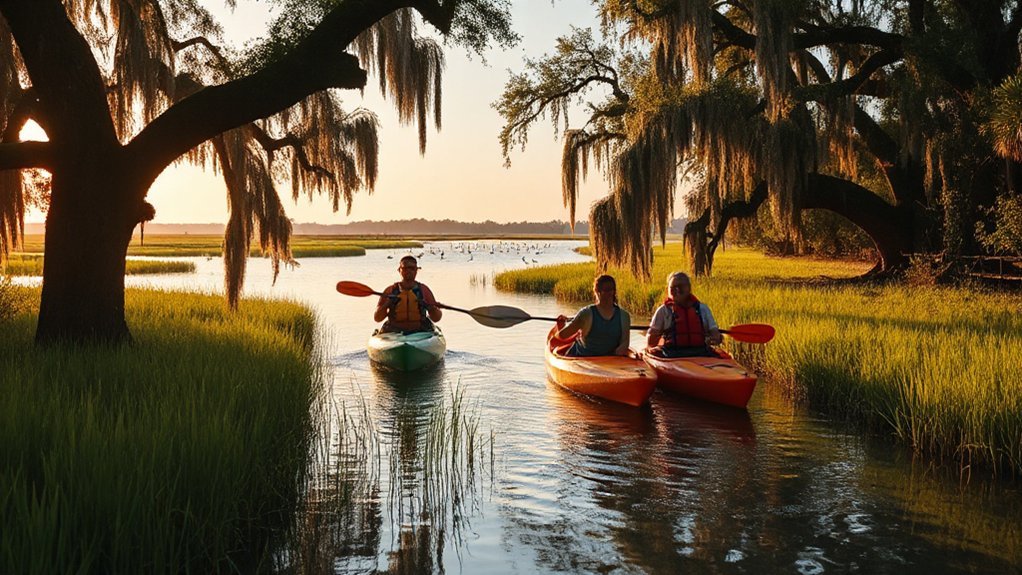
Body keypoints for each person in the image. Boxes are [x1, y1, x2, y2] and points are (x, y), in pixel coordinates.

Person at [646, 271, 722, 357]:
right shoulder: (663, 311)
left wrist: (715, 338)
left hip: (700, 353)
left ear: (689, 288)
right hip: (671, 355)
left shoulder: (702, 309)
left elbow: (715, 334)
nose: (677, 290)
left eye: (680, 287)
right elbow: (651, 342)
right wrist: (657, 337)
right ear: (668, 289)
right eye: (673, 287)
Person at [554, 274, 631, 357]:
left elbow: (562, 335)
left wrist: (560, 326)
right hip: (608, 360)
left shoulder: (586, 314)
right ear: (614, 292)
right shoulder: (624, 316)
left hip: (583, 357)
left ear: (597, 292)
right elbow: (624, 344)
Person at [374, 255, 442, 333]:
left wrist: (431, 307)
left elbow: (437, 318)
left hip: (419, 330)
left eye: (412, 268)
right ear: (399, 270)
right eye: (405, 268)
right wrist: (388, 303)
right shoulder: (390, 291)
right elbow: (377, 318)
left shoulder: (424, 290)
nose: (409, 271)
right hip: (394, 330)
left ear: (416, 270)